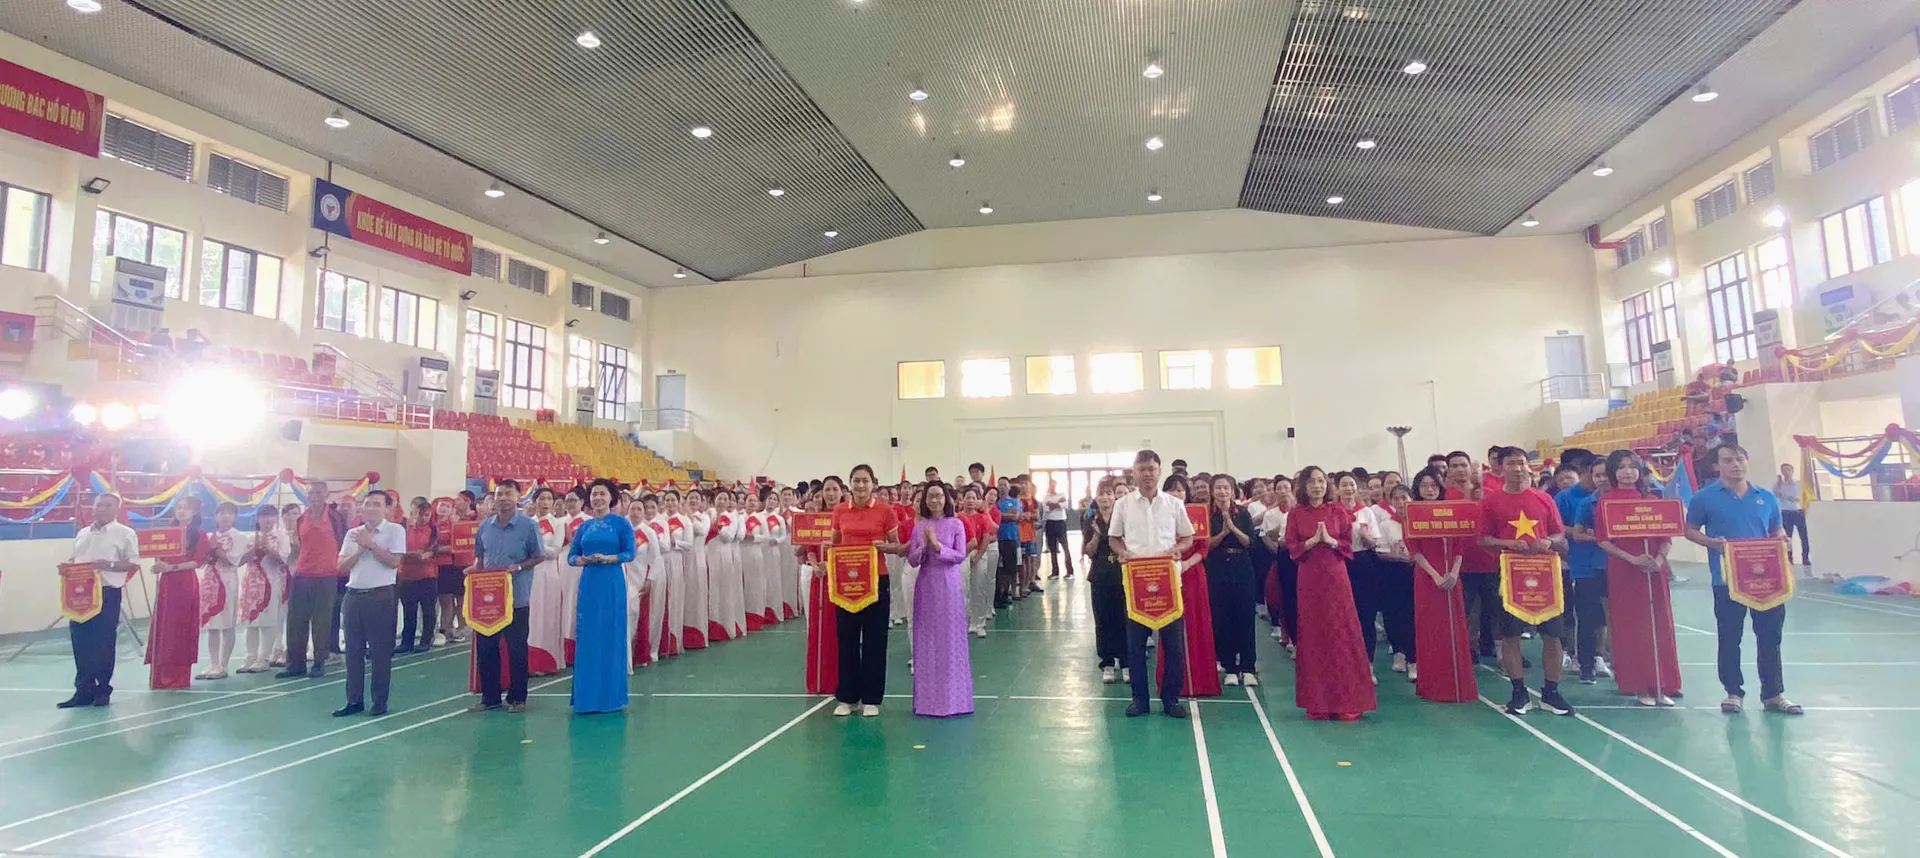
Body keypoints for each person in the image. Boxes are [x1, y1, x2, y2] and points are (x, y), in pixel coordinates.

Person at [1685, 444, 1803, 715]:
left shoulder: (1766, 497)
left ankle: (1773, 693)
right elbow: (1690, 530)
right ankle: (1733, 692)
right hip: (1727, 580)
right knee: (1729, 637)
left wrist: (1781, 538)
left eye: (1739, 459)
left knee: (1770, 637)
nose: (1735, 465)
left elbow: (1776, 527)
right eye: (1728, 460)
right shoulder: (1704, 498)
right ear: (1717, 466)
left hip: (1768, 580)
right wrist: (1713, 543)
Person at [1480, 446, 1574, 716]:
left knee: (1552, 634)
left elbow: (1559, 534)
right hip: (1509, 574)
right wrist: (1509, 543)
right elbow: (1482, 539)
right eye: (1511, 463)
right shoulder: (1490, 501)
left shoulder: (1543, 498)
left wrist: (1548, 541)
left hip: (1545, 573)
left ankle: (1551, 692)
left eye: (1521, 463)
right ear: (1501, 467)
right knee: (1510, 635)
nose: (1518, 468)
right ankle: (1519, 692)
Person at [1108, 449, 1195, 719]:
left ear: (1159, 471)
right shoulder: (1123, 505)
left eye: (1152, 469)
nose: (1147, 474)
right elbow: (1114, 538)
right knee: (1135, 646)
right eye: (1142, 469)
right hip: (1137, 583)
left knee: (1173, 645)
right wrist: (1123, 552)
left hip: (1168, 582)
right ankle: (1139, 699)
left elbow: (1188, 537)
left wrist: (1178, 549)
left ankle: (1171, 699)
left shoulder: (1174, 504)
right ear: (1134, 473)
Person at [1284, 466, 1376, 720]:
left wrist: (1330, 541)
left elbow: (1347, 544)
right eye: (1312, 482)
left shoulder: (1337, 511)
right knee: (1314, 634)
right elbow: (1291, 546)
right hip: (1309, 577)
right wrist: (1312, 541)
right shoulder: (1296, 513)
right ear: (1303, 486)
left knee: (1341, 633)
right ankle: (1318, 702)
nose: (1317, 486)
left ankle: (1347, 701)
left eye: (1321, 481)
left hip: (1336, 576)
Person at [1590, 451, 1680, 706]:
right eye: (1621, 467)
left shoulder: (1651, 499)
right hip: (1624, 570)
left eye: (1632, 467)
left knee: (1659, 624)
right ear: (1613, 472)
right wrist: (1632, 559)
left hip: (1653, 570)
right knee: (1632, 626)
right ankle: (1640, 685)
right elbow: (1603, 540)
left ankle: (1662, 683)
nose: (1628, 472)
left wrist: (1659, 561)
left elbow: (1665, 537)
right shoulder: (1606, 501)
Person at [467, 481, 547, 714]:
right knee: (486, 648)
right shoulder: (485, 526)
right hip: (487, 600)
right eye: (499, 494)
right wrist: (473, 571)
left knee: (516, 649)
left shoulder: (528, 526)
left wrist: (519, 567)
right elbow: (480, 559)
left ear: (518, 497)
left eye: (507, 493)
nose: (502, 498)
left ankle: (518, 697)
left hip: (516, 597)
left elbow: (539, 556)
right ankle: (490, 697)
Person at [831, 464, 904, 717]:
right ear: (850, 484)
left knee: (875, 640)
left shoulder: (885, 510)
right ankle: (847, 697)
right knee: (847, 639)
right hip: (845, 584)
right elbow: (834, 543)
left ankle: (872, 699)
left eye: (865, 481)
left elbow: (897, 546)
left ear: (873, 483)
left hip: (876, 580)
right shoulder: (840, 510)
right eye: (856, 481)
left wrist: (883, 546)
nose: (860, 485)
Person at [59, 494, 139, 708]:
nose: (102, 509)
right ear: (93, 508)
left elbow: (133, 564)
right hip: (80, 594)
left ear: (117, 509)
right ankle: (83, 690)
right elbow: (76, 559)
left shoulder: (125, 533)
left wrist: (108, 565)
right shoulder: (83, 533)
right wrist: (67, 568)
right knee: (80, 641)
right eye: (99, 505)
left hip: (107, 592)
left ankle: (103, 689)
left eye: (108, 505)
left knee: (103, 642)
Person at [333, 490, 405, 717]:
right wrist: (360, 549)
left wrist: (371, 545)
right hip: (353, 595)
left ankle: (379, 701)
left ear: (387, 508)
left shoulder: (395, 530)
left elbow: (394, 562)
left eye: (376, 504)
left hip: (380, 596)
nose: (371, 508)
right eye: (367, 504)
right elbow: (342, 566)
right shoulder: (353, 533)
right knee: (353, 651)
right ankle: (353, 700)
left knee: (380, 652)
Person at [1406, 468, 1474, 703]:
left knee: (1455, 629)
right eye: (1424, 485)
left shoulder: (1451, 511)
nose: (1429, 489)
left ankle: (1458, 685)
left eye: (1434, 485)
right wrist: (1435, 576)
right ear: (1418, 488)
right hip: (1427, 578)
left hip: (1451, 576)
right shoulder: (1412, 513)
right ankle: (1434, 687)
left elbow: (1459, 547)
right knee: (1431, 630)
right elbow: (1414, 551)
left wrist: (1454, 573)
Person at [570, 479, 637, 714]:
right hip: (589, 583)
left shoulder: (621, 524)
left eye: (602, 494)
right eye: (594, 494)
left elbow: (630, 553)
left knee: (610, 633)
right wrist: (582, 560)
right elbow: (571, 556)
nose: (598, 498)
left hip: (611, 582)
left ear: (611, 498)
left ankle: (610, 698)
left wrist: (609, 558)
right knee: (588, 635)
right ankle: (586, 698)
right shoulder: (584, 527)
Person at [906, 482, 972, 717]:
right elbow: (912, 559)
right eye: (930, 496)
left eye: (939, 496)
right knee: (926, 638)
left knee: (949, 638)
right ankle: (927, 701)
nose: (935, 500)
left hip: (948, 583)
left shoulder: (956, 524)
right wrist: (924, 548)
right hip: (926, 583)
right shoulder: (919, 526)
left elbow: (960, 555)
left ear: (946, 499)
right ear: (925, 500)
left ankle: (954, 700)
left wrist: (937, 546)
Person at [147, 496, 208, 689]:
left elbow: (197, 562)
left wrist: (171, 568)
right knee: (163, 626)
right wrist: (158, 565)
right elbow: (158, 555)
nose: (181, 511)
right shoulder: (167, 533)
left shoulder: (199, 534)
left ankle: (177, 676)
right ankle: (159, 675)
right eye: (178, 507)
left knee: (179, 627)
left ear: (194, 512)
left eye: (186, 508)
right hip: (166, 583)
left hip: (184, 583)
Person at [1564, 458, 1615, 683]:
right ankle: (1586, 665)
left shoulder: (1627, 502)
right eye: (1598, 475)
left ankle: (1620, 665)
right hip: (1587, 567)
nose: (1602, 479)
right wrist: (1600, 538)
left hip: (1619, 566)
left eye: (1606, 474)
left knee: (1616, 619)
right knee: (1587, 617)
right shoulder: (1586, 504)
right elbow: (1576, 534)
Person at [1207, 474, 1260, 686]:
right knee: (1222, 617)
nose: (1222, 492)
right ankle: (1229, 666)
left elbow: (1250, 542)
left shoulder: (1242, 513)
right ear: (1212, 491)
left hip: (1242, 566)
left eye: (1226, 488)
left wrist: (1233, 528)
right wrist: (1222, 533)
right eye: (1218, 488)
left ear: (1232, 490)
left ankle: (1248, 667)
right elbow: (1205, 546)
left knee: (1245, 616)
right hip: (1217, 567)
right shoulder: (1207, 514)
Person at [1445, 451, 1498, 659]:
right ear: (1449, 471)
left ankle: (1491, 645)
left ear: (1471, 468)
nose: (1460, 469)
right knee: (1466, 610)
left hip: (1490, 560)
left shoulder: (1489, 494)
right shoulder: (1444, 497)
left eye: (1463, 465)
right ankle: (1468, 648)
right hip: (1461, 563)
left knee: (1493, 608)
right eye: (1455, 466)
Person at [197, 502, 249, 680]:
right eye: (221, 513)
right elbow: (201, 560)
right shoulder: (209, 536)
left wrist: (214, 549)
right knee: (211, 625)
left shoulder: (239, 536)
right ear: (215, 516)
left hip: (227, 582)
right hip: (210, 581)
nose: (225, 516)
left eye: (229, 513)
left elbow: (233, 561)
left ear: (235, 517)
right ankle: (213, 664)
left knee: (227, 624)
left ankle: (224, 665)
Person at [237, 503, 291, 673]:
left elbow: (284, 559)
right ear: (258, 518)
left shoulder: (281, 537)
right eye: (264, 516)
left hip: (272, 581)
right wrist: (252, 551)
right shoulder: (249, 538)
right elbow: (238, 561)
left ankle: (264, 657)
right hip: (252, 582)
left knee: (269, 621)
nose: (268, 520)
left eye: (272, 516)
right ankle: (251, 656)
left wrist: (268, 549)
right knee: (251, 621)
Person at [804, 477, 846, 695]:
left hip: (841, 579)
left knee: (839, 629)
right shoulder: (816, 519)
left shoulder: (847, 517)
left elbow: (851, 548)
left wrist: (830, 563)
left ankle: (838, 679)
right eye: (827, 490)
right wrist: (815, 565)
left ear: (841, 492)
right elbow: (810, 547)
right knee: (818, 627)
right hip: (819, 579)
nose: (830, 494)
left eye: (834, 489)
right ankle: (817, 681)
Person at [1085, 478, 1126, 683]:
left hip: (1121, 575)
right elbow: (1088, 551)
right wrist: (1096, 535)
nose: (1105, 498)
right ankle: (1107, 663)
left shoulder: (1123, 518)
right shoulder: (1091, 520)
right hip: (1100, 576)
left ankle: (1126, 662)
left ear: (1114, 497)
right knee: (1103, 621)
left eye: (1109, 494)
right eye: (1101, 494)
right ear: (1096, 497)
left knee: (1124, 620)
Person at [1259, 477, 1298, 652]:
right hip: (1283, 556)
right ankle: (1289, 634)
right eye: (1279, 488)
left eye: (1286, 488)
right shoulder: (1271, 514)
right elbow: (1267, 536)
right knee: (1286, 596)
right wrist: (1277, 551)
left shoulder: (1300, 509)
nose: (1283, 491)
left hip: (1301, 556)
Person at [397, 498, 439, 654]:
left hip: (427, 575)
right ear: (413, 513)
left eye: (426, 515)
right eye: (420, 514)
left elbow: (435, 548)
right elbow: (398, 549)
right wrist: (412, 554)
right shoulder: (403, 528)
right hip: (407, 575)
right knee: (409, 610)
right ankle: (406, 642)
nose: (423, 518)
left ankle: (426, 640)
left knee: (428, 610)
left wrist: (428, 554)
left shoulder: (433, 530)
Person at [434, 491, 476, 646]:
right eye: (441, 505)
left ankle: (453, 629)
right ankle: (446, 628)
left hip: (454, 565)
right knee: (443, 600)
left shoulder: (457, 524)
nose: (444, 508)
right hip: (435, 566)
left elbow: (459, 545)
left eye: (447, 506)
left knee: (454, 599)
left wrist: (439, 549)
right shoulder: (433, 524)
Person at [994, 485, 1023, 608]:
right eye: (1000, 484)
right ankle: (998, 594)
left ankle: (1007, 592)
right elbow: (993, 515)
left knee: (1010, 568)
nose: (1002, 487)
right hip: (996, 538)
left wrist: (1000, 515)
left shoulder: (1014, 501)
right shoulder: (995, 502)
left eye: (1005, 484)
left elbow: (1015, 516)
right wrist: (1006, 515)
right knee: (998, 569)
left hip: (1010, 538)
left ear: (1009, 487)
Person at [1775, 463, 1810, 565]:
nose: (1786, 472)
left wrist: (1796, 499)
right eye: (1784, 470)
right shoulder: (1779, 485)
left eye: (1788, 470)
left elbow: (1805, 497)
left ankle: (1805, 557)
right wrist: (1778, 484)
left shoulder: (1798, 484)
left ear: (1792, 471)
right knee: (1787, 537)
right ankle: (1789, 558)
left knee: (1803, 536)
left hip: (1798, 511)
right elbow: (1775, 496)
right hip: (1785, 512)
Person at [1043, 477, 1075, 580]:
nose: (1052, 487)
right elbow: (1046, 508)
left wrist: (1052, 504)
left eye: (1054, 484)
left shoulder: (1062, 495)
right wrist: (1058, 503)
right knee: (1052, 549)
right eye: (1050, 485)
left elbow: (1065, 505)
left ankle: (1070, 572)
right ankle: (1055, 573)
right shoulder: (1046, 497)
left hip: (1060, 523)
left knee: (1065, 548)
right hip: (1050, 523)